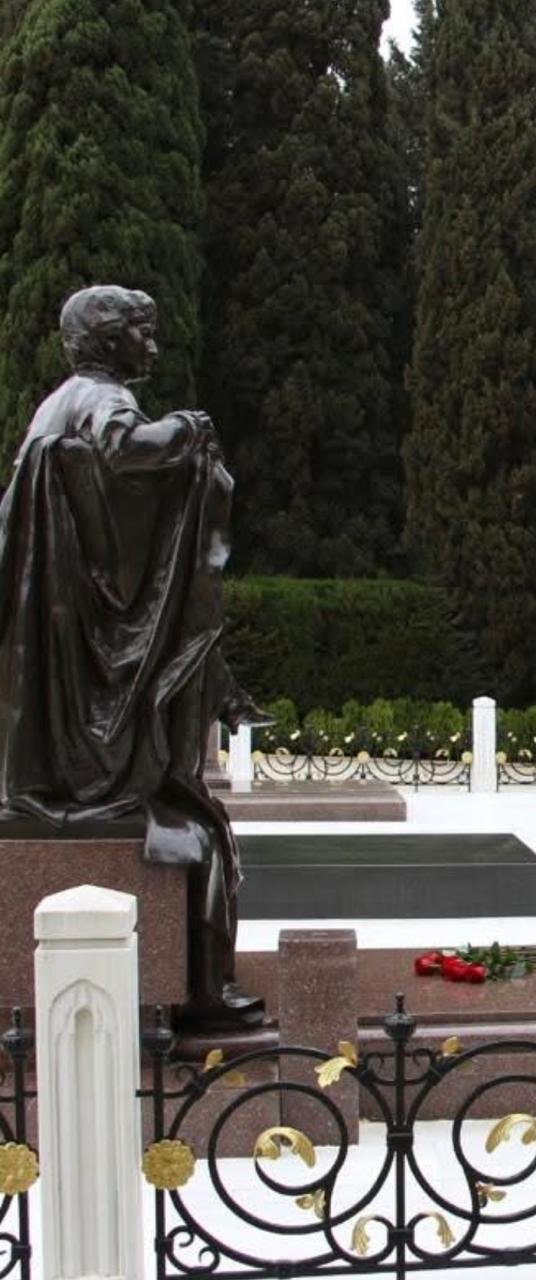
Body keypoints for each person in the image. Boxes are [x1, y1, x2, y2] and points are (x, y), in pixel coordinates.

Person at [0, 284, 263, 1025]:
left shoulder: (58, 403)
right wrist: (188, 431)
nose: (152, 347)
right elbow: (125, 451)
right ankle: (203, 992)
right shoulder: (100, 399)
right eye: (142, 334)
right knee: (197, 823)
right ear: (109, 340)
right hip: (92, 690)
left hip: (65, 659)